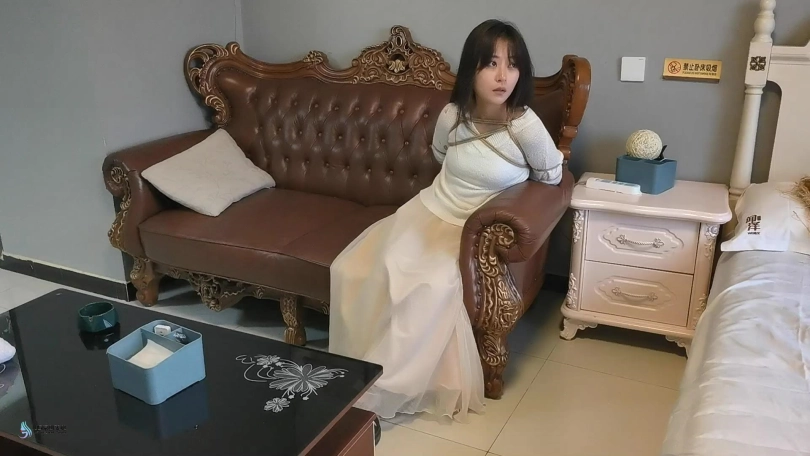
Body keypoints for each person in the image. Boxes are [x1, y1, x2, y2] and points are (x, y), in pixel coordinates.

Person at [327, 19, 565, 422]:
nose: (503, 76)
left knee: (430, 285)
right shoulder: (453, 114)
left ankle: (384, 387)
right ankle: (358, 367)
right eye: (491, 63)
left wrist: (517, 187)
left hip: (473, 231)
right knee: (356, 266)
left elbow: (553, 176)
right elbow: (441, 155)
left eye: (512, 64)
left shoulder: (524, 124)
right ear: (472, 68)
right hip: (428, 211)